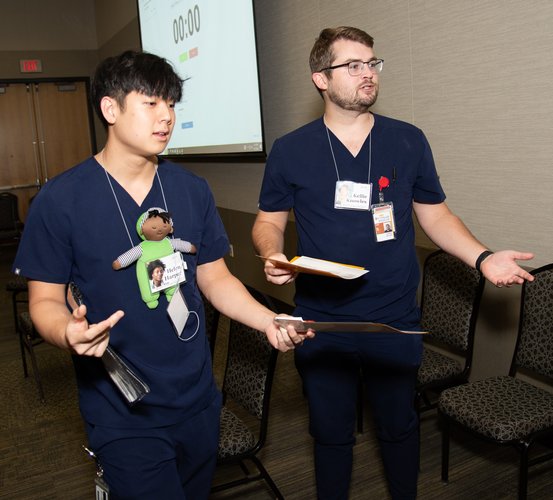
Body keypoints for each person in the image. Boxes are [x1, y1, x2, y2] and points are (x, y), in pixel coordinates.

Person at [13, 50, 312, 500]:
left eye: (171, 104)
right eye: (151, 103)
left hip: (196, 398)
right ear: (110, 109)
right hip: (122, 407)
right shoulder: (61, 199)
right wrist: (65, 333)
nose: (167, 116)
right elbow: (44, 302)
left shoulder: (191, 190)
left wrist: (269, 320)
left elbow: (215, 279)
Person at [252, 26, 534, 500]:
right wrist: (270, 251)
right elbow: (268, 221)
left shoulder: (407, 140)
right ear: (321, 78)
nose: (369, 74)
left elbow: (436, 215)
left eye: (373, 63)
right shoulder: (290, 150)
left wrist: (482, 258)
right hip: (322, 323)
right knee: (331, 434)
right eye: (354, 65)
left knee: (399, 429)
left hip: (394, 318)